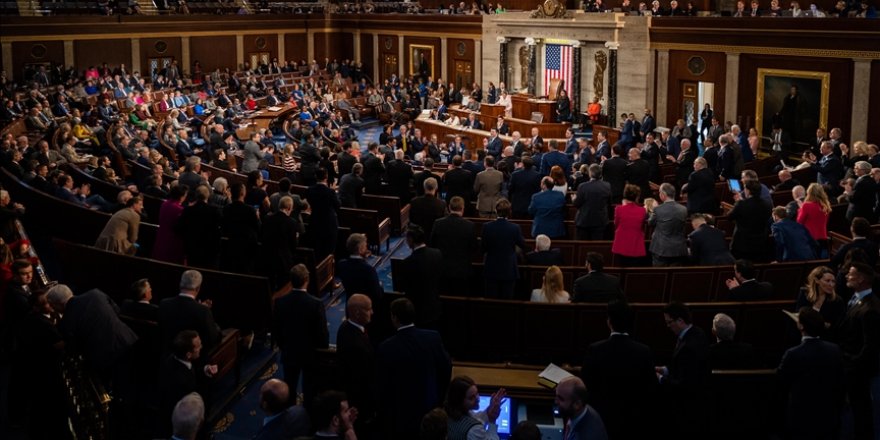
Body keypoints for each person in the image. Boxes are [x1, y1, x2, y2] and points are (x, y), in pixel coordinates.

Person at [378, 298, 452, 440]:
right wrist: (440, 396)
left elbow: (383, 385)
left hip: (400, 414)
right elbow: (446, 367)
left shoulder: (386, 347)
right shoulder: (433, 338)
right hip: (430, 407)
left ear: (394, 317)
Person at [580, 300, 655, 440]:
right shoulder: (644, 351)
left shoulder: (595, 349)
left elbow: (586, 385)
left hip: (601, 418)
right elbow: (650, 389)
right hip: (633, 421)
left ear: (609, 322)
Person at [777, 307, 845, 440]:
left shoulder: (793, 354)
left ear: (801, 326)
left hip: (800, 414)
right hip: (827, 412)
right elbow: (840, 381)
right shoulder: (834, 349)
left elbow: (781, 383)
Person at [273, 264, 329, 404]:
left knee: (289, 385)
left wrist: (283, 346)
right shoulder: (316, 304)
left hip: (289, 351)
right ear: (307, 280)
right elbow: (322, 332)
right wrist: (323, 347)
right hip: (310, 353)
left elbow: (277, 329)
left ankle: (289, 412)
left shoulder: (280, 302)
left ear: (291, 281)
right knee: (309, 387)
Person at [655, 302, 710, 437]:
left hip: (686, 408)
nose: (668, 326)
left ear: (680, 320)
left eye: (669, 322)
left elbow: (683, 385)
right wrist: (665, 370)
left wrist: (660, 378)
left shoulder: (689, 346)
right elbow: (682, 367)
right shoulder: (697, 332)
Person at [839, 262, 880, 440]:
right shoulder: (856, 299)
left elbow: (870, 346)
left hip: (859, 371)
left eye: (851, 274)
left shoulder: (870, 308)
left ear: (861, 279)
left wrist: (853, 364)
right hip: (852, 365)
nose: (847, 276)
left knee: (862, 412)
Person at [157, 330, 218, 437]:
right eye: (198, 346)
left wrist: (205, 369)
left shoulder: (175, 358)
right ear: (189, 354)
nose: (201, 347)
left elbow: (190, 370)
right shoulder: (182, 382)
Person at [336, 294, 377, 435]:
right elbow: (365, 377)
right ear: (357, 313)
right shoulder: (357, 346)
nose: (372, 312)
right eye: (369, 309)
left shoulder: (345, 326)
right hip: (360, 400)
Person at [158, 270, 222, 353]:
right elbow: (213, 339)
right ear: (198, 288)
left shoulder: (164, 304)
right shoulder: (203, 311)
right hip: (194, 361)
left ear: (180, 285)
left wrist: (200, 308)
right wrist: (204, 312)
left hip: (167, 356)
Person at [430, 196, 477, 296]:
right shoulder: (469, 226)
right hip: (462, 270)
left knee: (444, 299)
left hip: (443, 268)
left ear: (449, 207)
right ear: (463, 208)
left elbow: (432, 244)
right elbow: (473, 248)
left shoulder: (438, 223)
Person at [481, 199, 527, 299]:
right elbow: (523, 245)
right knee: (507, 301)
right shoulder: (515, 228)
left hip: (491, 268)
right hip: (508, 269)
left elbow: (483, 248)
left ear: (496, 211)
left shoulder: (487, 227)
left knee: (491, 300)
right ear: (509, 212)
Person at [400, 225, 443, 328]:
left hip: (418, 309)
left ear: (410, 240)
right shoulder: (437, 253)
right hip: (435, 305)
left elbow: (405, 286)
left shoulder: (408, 262)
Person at [444, 375, 507, 440]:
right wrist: (492, 420)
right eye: (471, 398)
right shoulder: (474, 429)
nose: (478, 399)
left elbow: (474, 417)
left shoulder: (449, 413)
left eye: (477, 393)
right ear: (459, 401)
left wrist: (489, 412)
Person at [260, 195, 301, 289]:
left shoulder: (267, 218)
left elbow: (262, 236)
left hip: (266, 257)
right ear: (289, 208)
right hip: (283, 262)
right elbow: (293, 245)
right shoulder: (292, 223)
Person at [728, 179, 772, 262]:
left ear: (747, 190)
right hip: (759, 243)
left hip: (742, 243)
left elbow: (730, 217)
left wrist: (737, 203)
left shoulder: (741, 204)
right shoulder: (768, 204)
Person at [179, 185, 222, 269]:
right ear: (208, 195)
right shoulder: (214, 211)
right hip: (209, 250)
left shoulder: (188, 210)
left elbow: (180, 227)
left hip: (191, 248)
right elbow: (218, 230)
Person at [796, 266, 846, 339]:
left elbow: (837, 327)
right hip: (804, 336)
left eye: (833, 281)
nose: (831, 285)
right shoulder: (804, 293)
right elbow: (799, 314)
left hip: (826, 339)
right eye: (827, 281)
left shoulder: (837, 301)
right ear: (817, 280)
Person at [648, 183, 689, 266]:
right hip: (678, 250)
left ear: (663, 195)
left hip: (661, 249)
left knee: (660, 276)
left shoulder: (657, 209)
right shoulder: (684, 209)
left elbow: (650, 223)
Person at [336, 233, 383, 304]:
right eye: (365, 246)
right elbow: (377, 295)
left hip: (350, 305)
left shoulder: (341, 265)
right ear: (360, 250)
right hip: (366, 306)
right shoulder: (368, 269)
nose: (367, 249)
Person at [306, 168, 340, 259]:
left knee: (317, 247)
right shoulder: (330, 192)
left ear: (315, 177)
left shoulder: (310, 190)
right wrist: (333, 191)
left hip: (315, 220)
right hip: (329, 222)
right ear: (326, 177)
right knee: (329, 249)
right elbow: (337, 205)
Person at [611, 185, 647, 266]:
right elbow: (642, 227)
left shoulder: (618, 209)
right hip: (636, 243)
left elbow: (616, 224)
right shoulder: (642, 210)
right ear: (637, 196)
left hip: (621, 243)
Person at [573, 164, 611, 241]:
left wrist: (573, 199)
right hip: (600, 221)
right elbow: (609, 203)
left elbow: (577, 204)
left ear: (590, 173)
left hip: (584, 221)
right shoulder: (607, 186)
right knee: (596, 246)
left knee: (582, 248)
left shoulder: (583, 186)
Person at [152, 185, 188, 264]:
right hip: (172, 239)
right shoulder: (179, 209)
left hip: (161, 235)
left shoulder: (164, 203)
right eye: (185, 196)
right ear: (181, 196)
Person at [796, 182, 831, 254]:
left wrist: (801, 208)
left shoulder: (806, 206)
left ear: (809, 193)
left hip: (810, 238)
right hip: (823, 236)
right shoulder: (825, 206)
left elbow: (799, 222)